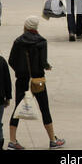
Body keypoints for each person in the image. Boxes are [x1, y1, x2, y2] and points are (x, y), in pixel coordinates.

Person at [8, 16, 66, 150]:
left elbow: (11, 60)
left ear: (26, 26)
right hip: (37, 81)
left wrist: (20, 71)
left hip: (22, 80)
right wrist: (46, 66)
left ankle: (12, 140)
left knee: (17, 109)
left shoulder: (18, 41)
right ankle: (52, 140)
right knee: (44, 108)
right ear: (36, 27)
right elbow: (43, 62)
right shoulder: (42, 42)